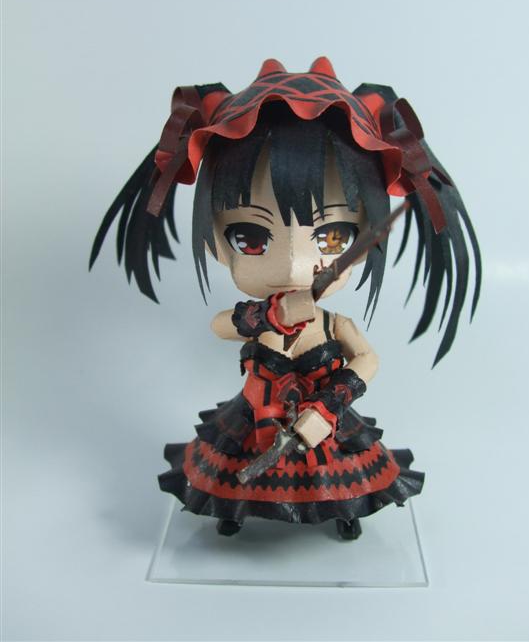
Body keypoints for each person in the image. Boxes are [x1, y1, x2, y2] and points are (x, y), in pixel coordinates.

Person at [90, 57, 481, 539]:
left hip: (320, 419)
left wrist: (329, 407)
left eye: (333, 237)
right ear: (214, 243)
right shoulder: (267, 312)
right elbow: (220, 325)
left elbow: (367, 360)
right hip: (255, 418)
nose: (296, 267)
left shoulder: (333, 326)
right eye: (250, 238)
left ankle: (342, 509)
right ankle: (233, 510)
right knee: (234, 468)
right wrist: (267, 315)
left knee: (336, 469)